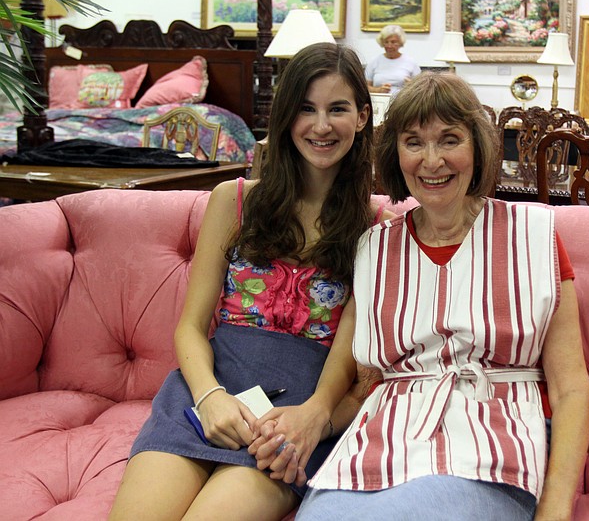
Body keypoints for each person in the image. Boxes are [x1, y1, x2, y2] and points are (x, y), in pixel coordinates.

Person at [251, 72, 589, 520]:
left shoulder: (532, 236)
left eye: (449, 140)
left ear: (477, 147)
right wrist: (308, 425)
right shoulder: (374, 247)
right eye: (414, 142)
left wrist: (555, 508)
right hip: (379, 446)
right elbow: (363, 385)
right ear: (396, 154)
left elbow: (571, 389)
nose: (432, 161)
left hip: (491, 448)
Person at [108, 42, 391, 521]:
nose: (321, 125)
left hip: (292, 421)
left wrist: (314, 418)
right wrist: (210, 397)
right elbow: (191, 326)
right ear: (285, 116)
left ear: (362, 117)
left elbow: (351, 355)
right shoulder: (233, 201)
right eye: (306, 108)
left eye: (337, 109)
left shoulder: (376, 228)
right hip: (207, 396)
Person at [365, 24, 421, 95]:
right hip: (378, 100)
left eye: (393, 42)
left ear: (400, 43)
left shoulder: (411, 62)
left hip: (403, 100)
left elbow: (421, 88)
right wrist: (378, 90)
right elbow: (365, 87)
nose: (389, 46)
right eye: (386, 42)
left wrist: (411, 86)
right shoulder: (374, 61)